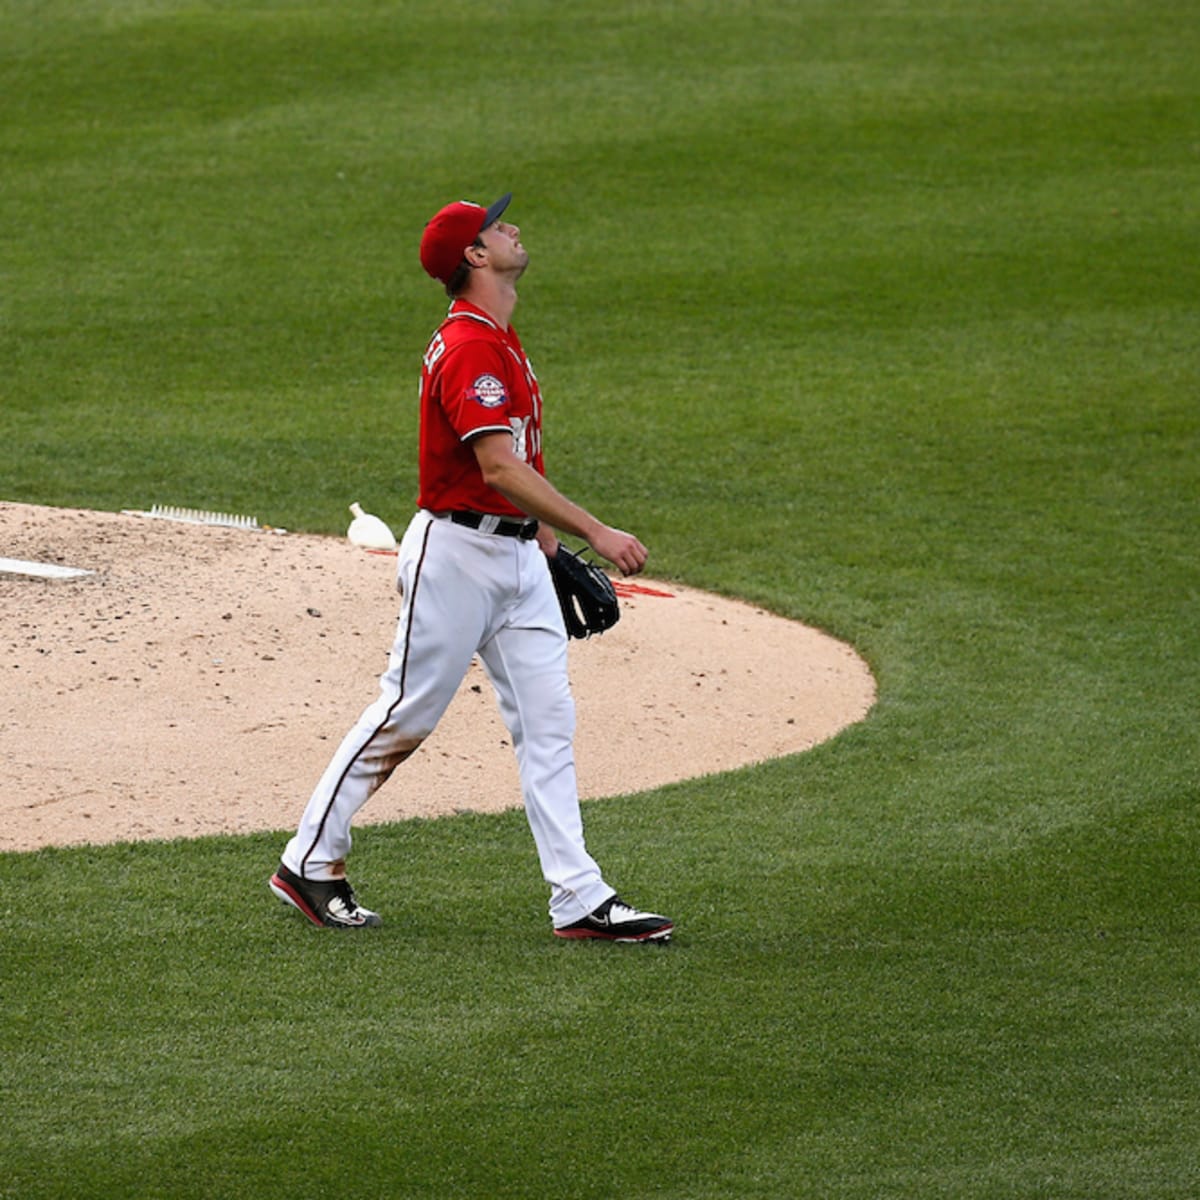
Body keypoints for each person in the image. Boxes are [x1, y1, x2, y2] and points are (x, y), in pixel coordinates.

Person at [268, 192, 673, 943]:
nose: (512, 227)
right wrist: (593, 530)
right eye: (496, 226)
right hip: (455, 558)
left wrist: (545, 545)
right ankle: (308, 860)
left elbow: (517, 457)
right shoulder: (470, 347)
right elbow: (495, 464)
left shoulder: (500, 336)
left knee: (548, 724)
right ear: (475, 257)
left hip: (515, 556)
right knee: (407, 712)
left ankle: (578, 896)